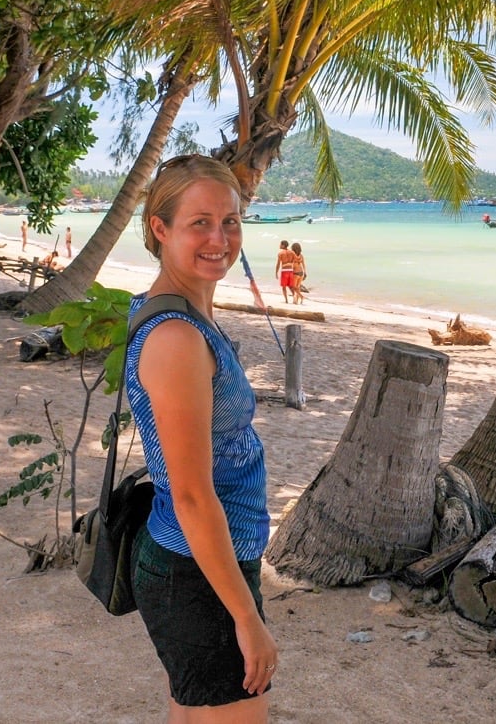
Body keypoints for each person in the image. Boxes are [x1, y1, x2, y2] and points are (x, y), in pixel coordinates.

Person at [127, 155, 276, 721]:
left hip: (195, 562)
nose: (220, 237)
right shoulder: (177, 338)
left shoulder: (183, 315)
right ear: (160, 229)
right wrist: (245, 616)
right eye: (200, 223)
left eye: (231, 221)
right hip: (198, 573)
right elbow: (191, 493)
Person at [274, 239, 295, 305]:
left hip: (284, 271)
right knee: (291, 286)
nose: (279, 245)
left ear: (283, 245)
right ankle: (295, 298)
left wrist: (276, 272)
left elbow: (278, 264)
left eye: (280, 244)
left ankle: (286, 300)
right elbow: (294, 261)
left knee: (284, 286)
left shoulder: (280, 253)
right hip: (291, 270)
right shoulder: (292, 252)